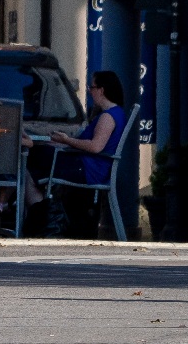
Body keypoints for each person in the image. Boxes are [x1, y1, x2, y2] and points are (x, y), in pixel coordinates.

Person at [24, 71, 127, 237]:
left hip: (88, 170)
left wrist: (66, 140)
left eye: (91, 88)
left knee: (32, 158)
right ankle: (44, 216)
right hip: (85, 165)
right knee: (31, 169)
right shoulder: (112, 114)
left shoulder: (108, 117)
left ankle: (48, 219)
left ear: (101, 90)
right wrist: (60, 143)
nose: (89, 92)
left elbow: (95, 147)